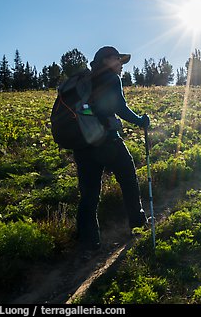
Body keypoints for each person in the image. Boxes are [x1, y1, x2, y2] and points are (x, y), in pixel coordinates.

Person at [73, 45, 150, 251]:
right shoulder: (110, 78)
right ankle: (137, 223)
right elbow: (119, 107)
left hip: (82, 144)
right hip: (107, 142)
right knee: (128, 179)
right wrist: (140, 121)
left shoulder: (84, 80)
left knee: (89, 194)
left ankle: (87, 241)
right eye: (118, 60)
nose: (121, 66)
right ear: (107, 60)